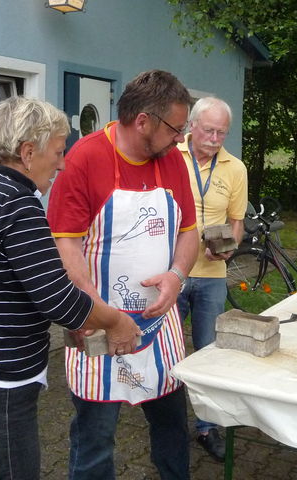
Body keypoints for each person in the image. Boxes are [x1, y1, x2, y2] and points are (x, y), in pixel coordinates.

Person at [0, 96, 140, 480]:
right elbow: (59, 300)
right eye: (58, 152)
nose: (62, 163)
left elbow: (9, 281)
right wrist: (115, 321)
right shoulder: (16, 204)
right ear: (27, 153)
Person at [47, 70, 199, 479]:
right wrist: (98, 313)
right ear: (143, 121)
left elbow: (189, 231)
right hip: (100, 326)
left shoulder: (173, 161)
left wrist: (176, 275)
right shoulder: (85, 158)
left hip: (159, 327)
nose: (181, 139)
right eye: (176, 129)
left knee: (172, 428)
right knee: (95, 439)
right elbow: (66, 245)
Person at [176, 97, 247, 461]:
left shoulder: (235, 168)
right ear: (192, 125)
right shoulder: (171, 157)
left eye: (222, 132)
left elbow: (237, 220)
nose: (216, 139)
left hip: (211, 276)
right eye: (209, 130)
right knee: (167, 350)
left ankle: (207, 426)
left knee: (208, 353)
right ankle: (168, 423)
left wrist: (229, 248)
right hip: (172, 273)